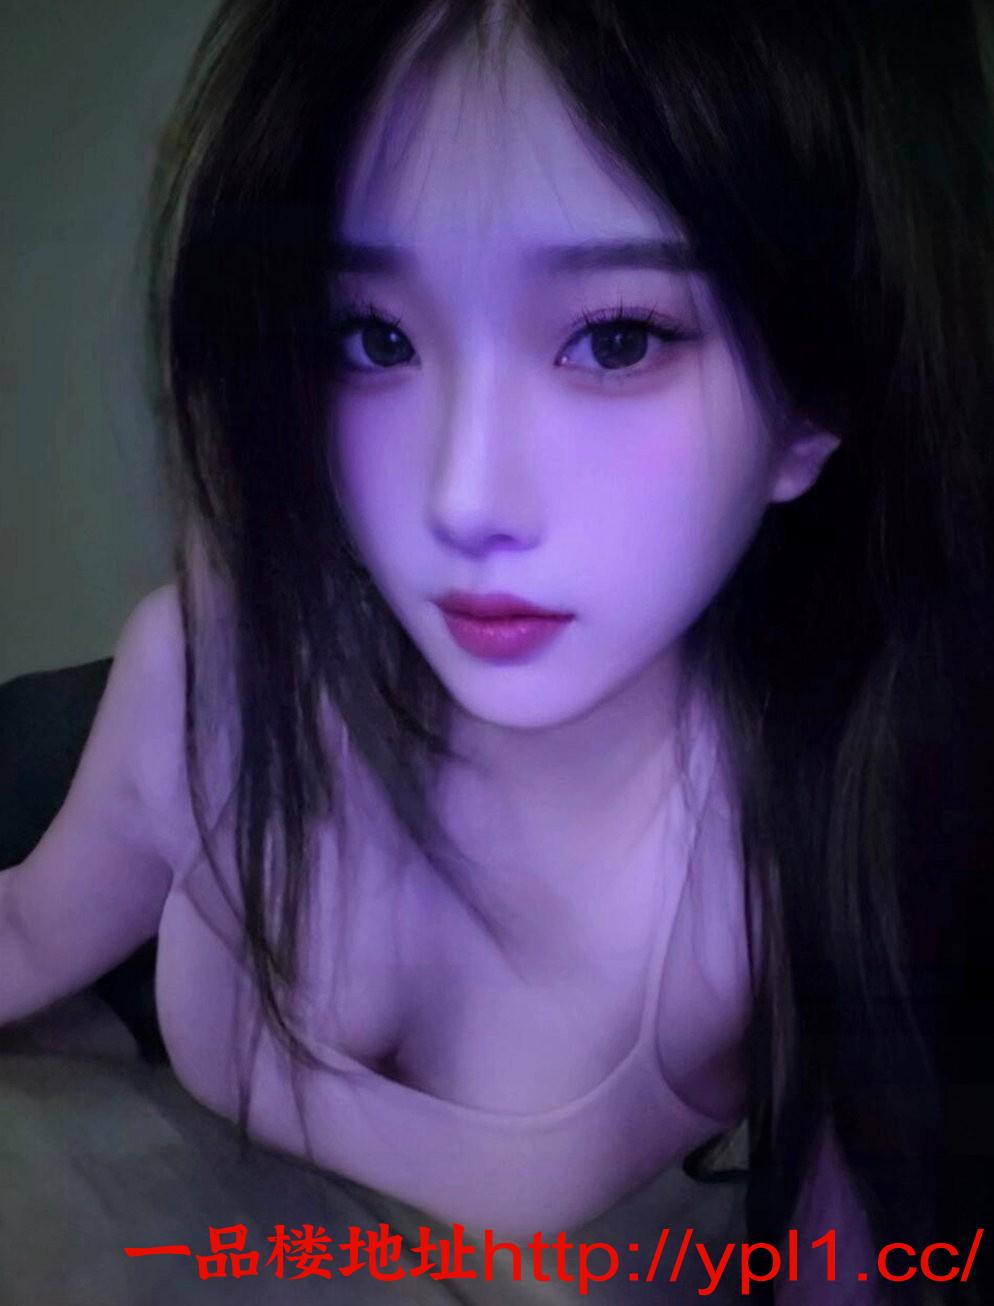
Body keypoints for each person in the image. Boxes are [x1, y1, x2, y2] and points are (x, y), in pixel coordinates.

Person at [1, 1, 991, 1301]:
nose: (464, 499)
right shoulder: (211, 667)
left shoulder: (807, 842)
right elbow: (28, 931)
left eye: (616, 338)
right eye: (373, 336)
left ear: (811, 408)